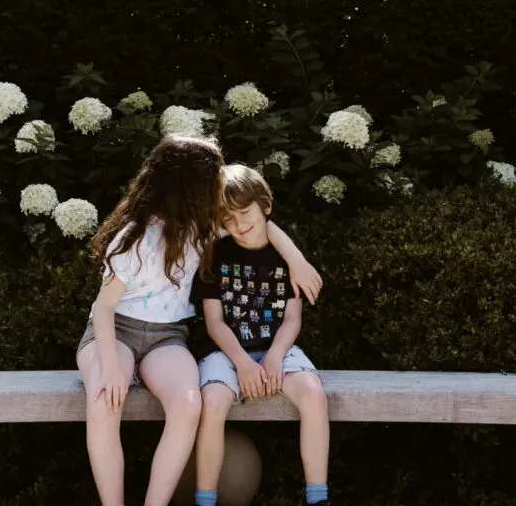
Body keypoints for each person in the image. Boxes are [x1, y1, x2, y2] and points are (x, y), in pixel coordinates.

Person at [76, 136, 323, 506]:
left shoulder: (202, 229)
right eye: (213, 179)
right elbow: (105, 309)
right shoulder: (135, 237)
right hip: (115, 332)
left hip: (166, 338)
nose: (219, 185)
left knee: (189, 404)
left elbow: (260, 223)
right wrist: (110, 366)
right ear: (190, 187)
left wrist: (297, 260)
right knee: (104, 400)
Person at [191, 164, 331, 506]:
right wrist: (242, 363)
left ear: (264, 206)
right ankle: (205, 500)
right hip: (227, 352)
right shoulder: (216, 255)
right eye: (228, 219)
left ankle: (318, 497)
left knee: (314, 395)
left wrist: (275, 356)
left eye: (245, 212)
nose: (239, 225)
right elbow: (214, 323)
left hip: (276, 347)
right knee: (211, 403)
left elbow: (292, 319)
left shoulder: (285, 258)